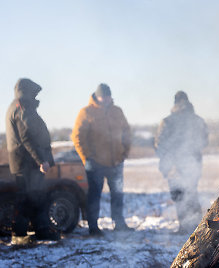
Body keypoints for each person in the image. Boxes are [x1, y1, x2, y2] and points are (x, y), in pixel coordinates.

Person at [71, 83, 132, 236]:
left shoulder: (117, 111)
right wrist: (87, 158)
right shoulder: (86, 112)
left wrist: (124, 153)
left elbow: (127, 132)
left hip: (116, 162)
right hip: (96, 163)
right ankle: (93, 227)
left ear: (110, 96)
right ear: (96, 96)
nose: (105, 99)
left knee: (118, 194)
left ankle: (119, 223)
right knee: (94, 195)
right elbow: (77, 137)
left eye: (107, 96)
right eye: (102, 96)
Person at [5, 78, 60, 243]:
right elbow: (27, 137)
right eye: (34, 93)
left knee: (33, 197)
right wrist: (40, 160)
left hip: (24, 161)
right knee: (32, 197)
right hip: (27, 162)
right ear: (27, 92)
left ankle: (32, 231)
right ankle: (23, 234)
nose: (36, 97)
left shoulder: (16, 106)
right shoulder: (23, 107)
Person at [155, 91, 208, 233]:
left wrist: (166, 162)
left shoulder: (168, 121)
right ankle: (197, 227)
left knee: (179, 194)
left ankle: (186, 227)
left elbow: (160, 144)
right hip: (193, 164)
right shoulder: (198, 120)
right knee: (191, 193)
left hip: (176, 164)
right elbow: (204, 141)